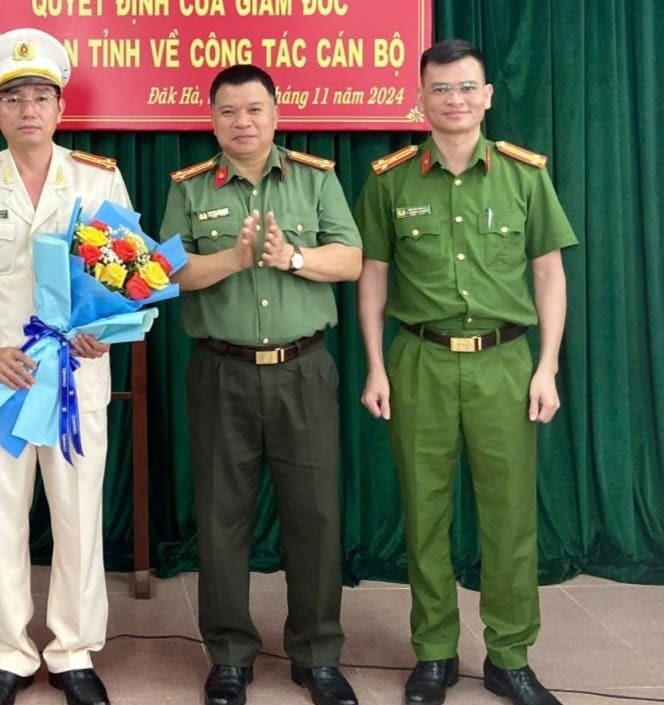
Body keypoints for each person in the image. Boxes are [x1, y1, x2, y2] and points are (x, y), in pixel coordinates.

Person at [354, 39, 577, 705]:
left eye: (466, 87)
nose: (454, 99)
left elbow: (548, 273)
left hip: (507, 364)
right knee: (423, 514)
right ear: (419, 99)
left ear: (488, 96)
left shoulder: (524, 176)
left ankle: (510, 655)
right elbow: (372, 277)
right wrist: (374, 366)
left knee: (509, 516)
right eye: (441, 89)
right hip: (417, 360)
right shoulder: (389, 179)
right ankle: (435, 652)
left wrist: (548, 366)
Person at [0, 28, 131, 705]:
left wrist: (103, 333)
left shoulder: (98, 177)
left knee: (76, 515)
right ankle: (9, 650)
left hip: (74, 381)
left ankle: (72, 651)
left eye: (41, 95)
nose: (29, 109)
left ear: (60, 107)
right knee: (1, 516)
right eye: (14, 98)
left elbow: (125, 275)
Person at [159, 64, 363, 705]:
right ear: (211, 119)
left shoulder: (315, 178)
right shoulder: (189, 188)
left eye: (253, 110)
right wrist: (237, 258)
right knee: (221, 518)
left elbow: (352, 259)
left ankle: (317, 654)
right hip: (221, 372)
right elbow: (170, 274)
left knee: (317, 517)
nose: (241, 122)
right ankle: (228, 656)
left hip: (303, 370)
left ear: (275, 113)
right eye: (227, 111)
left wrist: (292, 258)